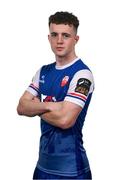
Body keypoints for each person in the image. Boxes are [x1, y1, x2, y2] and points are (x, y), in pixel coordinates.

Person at [17, 11, 94, 179]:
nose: (59, 40)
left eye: (65, 35)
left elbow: (65, 120)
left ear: (76, 39)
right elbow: (21, 107)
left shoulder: (82, 74)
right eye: (54, 35)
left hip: (71, 170)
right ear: (49, 38)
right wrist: (52, 106)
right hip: (42, 168)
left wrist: (36, 106)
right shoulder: (42, 72)